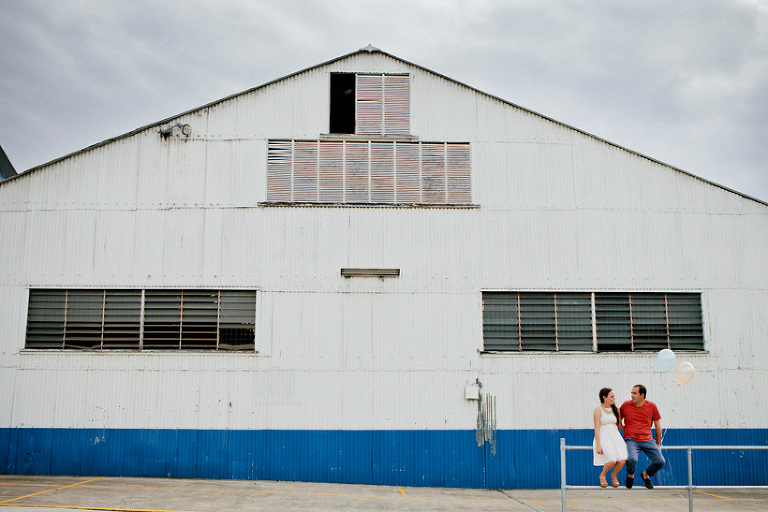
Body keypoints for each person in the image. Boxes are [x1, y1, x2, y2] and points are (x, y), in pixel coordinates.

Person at [620, 384, 665, 489]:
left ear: (642, 395)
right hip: (631, 439)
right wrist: (621, 427)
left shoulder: (652, 406)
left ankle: (646, 474)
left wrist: (658, 443)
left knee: (660, 461)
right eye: (631, 393)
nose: (632, 395)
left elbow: (657, 425)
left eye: (634, 393)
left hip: (647, 439)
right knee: (632, 459)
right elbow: (618, 417)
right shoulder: (626, 405)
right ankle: (631, 474)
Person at [593, 387, 627, 487]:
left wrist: (634, 431)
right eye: (611, 397)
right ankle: (603, 475)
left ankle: (614, 475)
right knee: (612, 460)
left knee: (622, 459)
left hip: (615, 436)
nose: (614, 398)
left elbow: (619, 425)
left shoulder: (616, 409)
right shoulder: (598, 410)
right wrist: (598, 445)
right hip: (604, 436)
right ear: (604, 398)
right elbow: (596, 428)